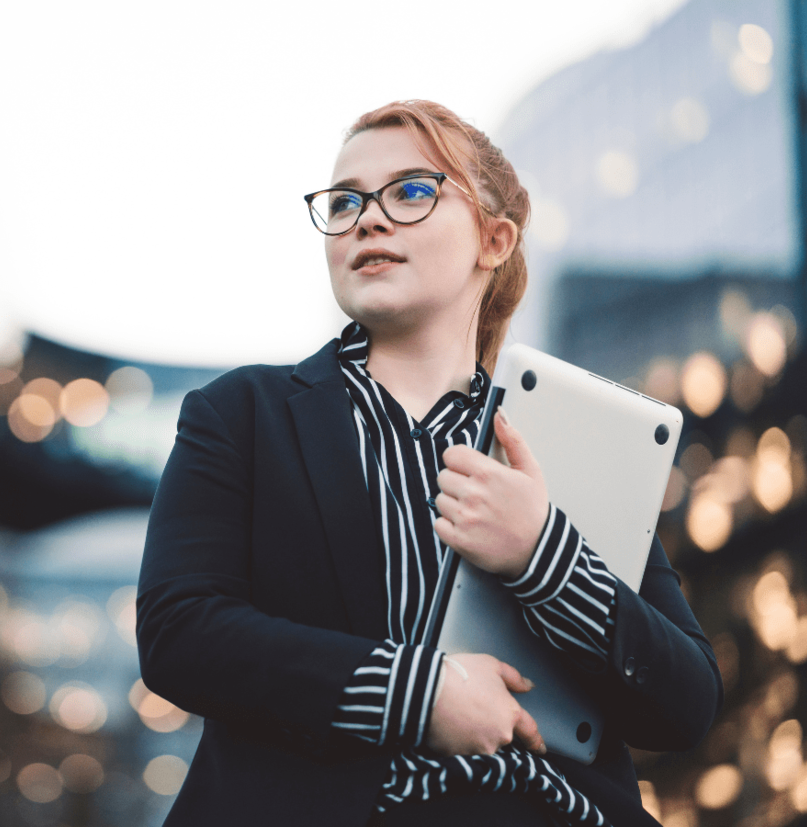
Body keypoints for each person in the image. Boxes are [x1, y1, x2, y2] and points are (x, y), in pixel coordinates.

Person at [135, 100, 722, 827]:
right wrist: (419, 693)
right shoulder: (243, 415)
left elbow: (686, 702)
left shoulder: (566, 445)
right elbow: (179, 632)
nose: (367, 220)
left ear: (494, 240)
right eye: (345, 202)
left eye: (411, 191)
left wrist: (544, 553)